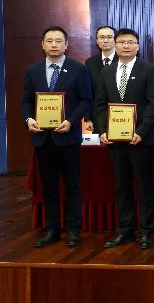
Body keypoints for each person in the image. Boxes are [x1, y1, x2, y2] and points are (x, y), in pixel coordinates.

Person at [21, 26, 92, 248]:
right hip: (42, 138)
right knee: (48, 186)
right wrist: (28, 119)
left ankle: (73, 230)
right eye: (49, 41)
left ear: (66, 44)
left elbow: (86, 100)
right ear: (42, 45)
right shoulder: (33, 70)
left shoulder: (78, 69)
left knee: (72, 185)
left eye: (58, 41)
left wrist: (71, 121)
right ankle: (52, 229)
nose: (54, 45)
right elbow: (27, 101)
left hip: (68, 137)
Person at [95, 28, 154, 250]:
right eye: (122, 42)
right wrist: (103, 130)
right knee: (121, 185)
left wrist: (141, 131)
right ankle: (125, 230)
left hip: (140, 139)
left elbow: (153, 103)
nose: (126, 46)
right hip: (115, 140)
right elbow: (100, 103)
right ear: (115, 45)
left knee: (143, 185)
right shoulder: (106, 71)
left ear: (138, 46)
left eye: (131, 42)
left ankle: (146, 231)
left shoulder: (149, 70)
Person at [84, 26, 117, 133]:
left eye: (109, 37)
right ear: (97, 41)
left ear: (115, 40)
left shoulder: (123, 60)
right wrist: (88, 118)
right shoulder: (90, 62)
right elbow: (88, 93)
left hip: (120, 114)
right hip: (98, 116)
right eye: (102, 37)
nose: (105, 40)